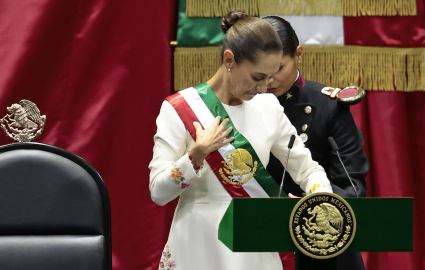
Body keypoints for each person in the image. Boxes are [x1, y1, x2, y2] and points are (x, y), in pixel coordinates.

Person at [149, 11, 334, 270]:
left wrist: (321, 201)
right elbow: (158, 192)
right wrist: (196, 155)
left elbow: (308, 169)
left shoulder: (268, 106)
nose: (263, 88)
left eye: (270, 78)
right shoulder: (179, 109)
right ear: (229, 60)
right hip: (199, 242)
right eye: (257, 77)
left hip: (255, 243)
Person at [263, 16, 369, 270]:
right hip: (260, 236)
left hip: (320, 242)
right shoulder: (239, 107)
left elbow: (351, 185)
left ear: (298, 54)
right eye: (260, 70)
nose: (268, 80)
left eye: (278, 68)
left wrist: (312, 208)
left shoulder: (328, 106)